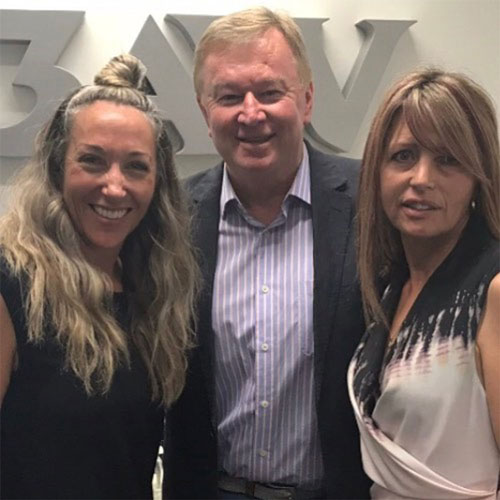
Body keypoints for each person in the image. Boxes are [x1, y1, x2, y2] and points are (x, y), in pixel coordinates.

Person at [164, 7, 370, 500]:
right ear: (203, 111)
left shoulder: (371, 203)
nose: (250, 113)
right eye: (229, 96)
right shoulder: (169, 219)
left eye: (270, 92)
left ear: (307, 99)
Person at [0, 53, 198, 499]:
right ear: (57, 166)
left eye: (135, 166)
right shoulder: (11, 280)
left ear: (157, 182)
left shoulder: (152, 292)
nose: (114, 186)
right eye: (92, 160)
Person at [348, 69, 500, 499]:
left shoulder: (493, 287)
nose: (421, 178)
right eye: (403, 156)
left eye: (448, 160)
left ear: (478, 175)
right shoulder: (389, 287)